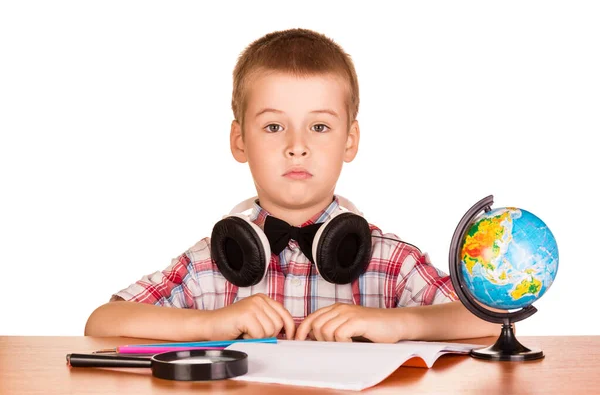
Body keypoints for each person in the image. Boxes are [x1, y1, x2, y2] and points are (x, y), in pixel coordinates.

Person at [85, 28, 498, 342]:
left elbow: (489, 318)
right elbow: (101, 322)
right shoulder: (210, 265)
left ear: (350, 140)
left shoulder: (389, 263)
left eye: (319, 126)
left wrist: (399, 322)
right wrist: (212, 322)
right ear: (239, 141)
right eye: (273, 126)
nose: (296, 146)